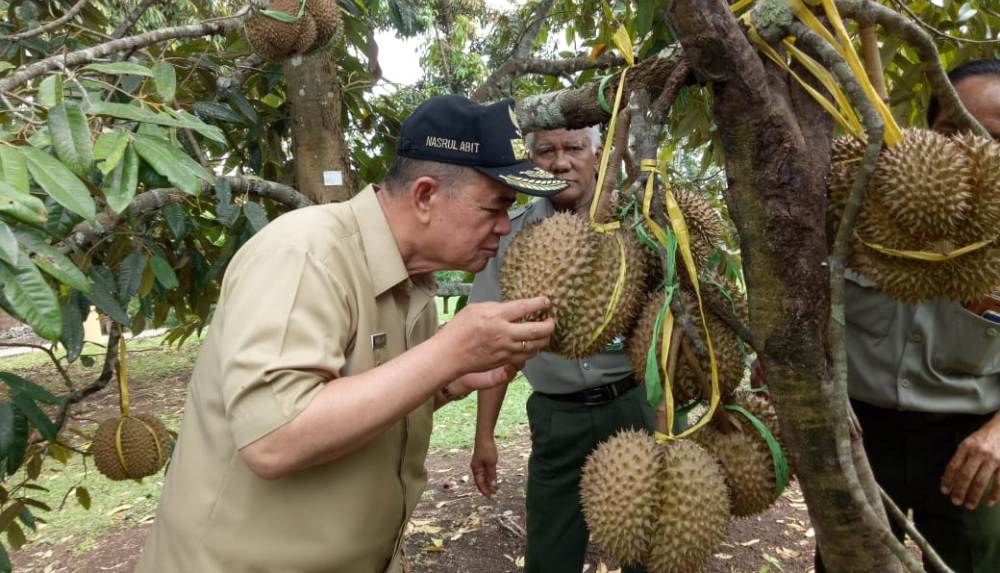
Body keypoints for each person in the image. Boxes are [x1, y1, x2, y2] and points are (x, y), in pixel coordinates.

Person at [135, 95, 567, 573]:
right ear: (425, 196)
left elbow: (366, 400)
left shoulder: (413, 285)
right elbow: (273, 438)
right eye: (495, 207)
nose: (505, 227)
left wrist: (451, 380)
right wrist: (448, 352)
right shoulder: (304, 255)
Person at [818, 59, 1000, 572]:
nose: (969, 153)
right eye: (951, 132)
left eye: (992, 139)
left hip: (970, 442)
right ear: (924, 133)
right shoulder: (857, 197)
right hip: (857, 430)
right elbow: (800, 300)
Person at [468, 126, 655, 573]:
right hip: (557, 416)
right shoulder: (510, 235)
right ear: (531, 160)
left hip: (633, 404)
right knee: (550, 550)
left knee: (650, 548)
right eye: (545, 151)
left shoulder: (640, 225)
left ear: (598, 155)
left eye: (573, 148)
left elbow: (675, 314)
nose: (559, 162)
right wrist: (484, 435)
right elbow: (496, 345)